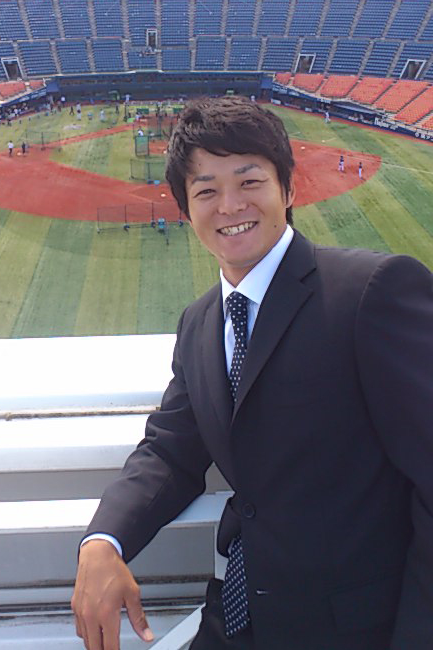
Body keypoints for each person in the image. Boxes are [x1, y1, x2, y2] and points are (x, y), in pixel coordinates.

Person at [72, 97, 433, 650]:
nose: (230, 205)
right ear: (185, 208)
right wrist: (104, 541)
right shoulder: (199, 322)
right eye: (206, 191)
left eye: (249, 182)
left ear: (288, 190)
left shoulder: (370, 292)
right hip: (234, 620)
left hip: (355, 630)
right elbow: (171, 450)